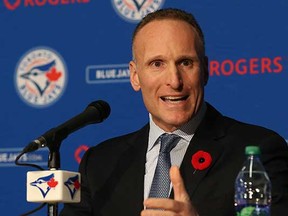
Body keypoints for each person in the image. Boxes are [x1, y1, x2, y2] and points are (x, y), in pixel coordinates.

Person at [60, 8, 288, 216]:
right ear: (135, 76)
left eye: (186, 63)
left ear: (205, 70)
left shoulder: (259, 153)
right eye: (157, 64)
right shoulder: (99, 164)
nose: (174, 81)